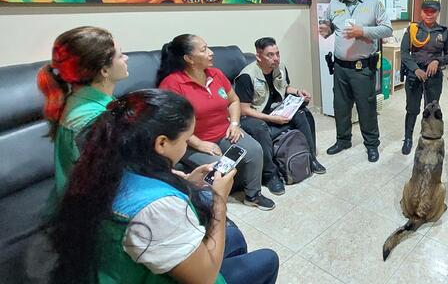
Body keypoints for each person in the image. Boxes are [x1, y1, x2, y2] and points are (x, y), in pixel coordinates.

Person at [49, 89, 279, 283]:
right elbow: (205, 279)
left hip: (116, 265)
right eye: (186, 138)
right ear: (161, 143)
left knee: (234, 238)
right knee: (268, 259)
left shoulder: (103, 166)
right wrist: (219, 200)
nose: (188, 144)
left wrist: (187, 181)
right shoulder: (157, 208)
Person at [157, 34, 274, 211]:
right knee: (221, 166)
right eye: (204, 50)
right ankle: (212, 206)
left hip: (223, 131)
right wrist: (200, 143)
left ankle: (253, 195)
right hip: (191, 143)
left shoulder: (216, 74)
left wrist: (234, 124)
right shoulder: (173, 84)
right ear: (189, 58)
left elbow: (234, 101)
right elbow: (171, 123)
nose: (211, 53)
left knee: (254, 149)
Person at [36, 26, 129, 204]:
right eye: (120, 55)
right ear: (104, 70)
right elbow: (107, 179)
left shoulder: (81, 99)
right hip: (92, 210)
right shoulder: (92, 118)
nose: (126, 58)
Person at [318, 0, 393, 162]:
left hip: (362, 69)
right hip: (341, 67)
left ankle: (372, 144)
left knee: (366, 108)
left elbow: (387, 29)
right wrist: (327, 30)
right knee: (340, 107)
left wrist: (364, 31)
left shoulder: (373, 3)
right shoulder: (334, 4)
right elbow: (330, 25)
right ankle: (343, 140)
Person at [234, 37, 326, 195]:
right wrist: (272, 119)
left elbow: (285, 87)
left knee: (302, 112)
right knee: (260, 128)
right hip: (255, 114)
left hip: (276, 109)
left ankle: (310, 158)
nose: (276, 58)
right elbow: (244, 110)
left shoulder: (280, 67)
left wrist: (298, 92)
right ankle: (271, 175)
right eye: (270, 55)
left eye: (277, 53)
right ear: (258, 56)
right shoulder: (247, 76)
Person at [399, 0, 448, 155]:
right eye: (426, 11)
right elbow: (404, 52)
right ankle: (408, 139)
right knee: (412, 109)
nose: (429, 14)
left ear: (438, 12)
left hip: (434, 77)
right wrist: (415, 69)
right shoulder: (413, 29)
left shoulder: (443, 32)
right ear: (421, 12)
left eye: (433, 11)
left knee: (431, 110)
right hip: (414, 75)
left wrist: (437, 61)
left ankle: (429, 140)